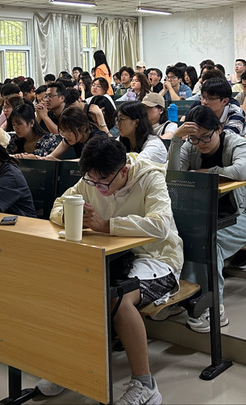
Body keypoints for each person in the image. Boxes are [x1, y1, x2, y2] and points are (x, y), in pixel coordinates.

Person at [44, 135, 183, 405]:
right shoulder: (92, 179)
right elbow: (58, 206)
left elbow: (160, 225)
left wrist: (107, 225)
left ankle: (145, 384)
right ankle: (70, 367)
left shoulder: (149, 177)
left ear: (124, 171)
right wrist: (71, 216)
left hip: (157, 259)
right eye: (92, 181)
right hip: (112, 257)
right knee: (70, 289)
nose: (98, 188)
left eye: (104, 182)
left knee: (117, 298)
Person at [169, 106, 246, 331]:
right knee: (180, 237)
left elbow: (241, 171)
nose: (201, 143)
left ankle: (213, 306)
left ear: (219, 129)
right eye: (194, 139)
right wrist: (176, 139)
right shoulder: (190, 146)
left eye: (206, 137)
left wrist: (205, 172)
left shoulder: (236, 143)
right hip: (205, 216)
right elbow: (173, 175)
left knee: (211, 243)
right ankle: (186, 298)